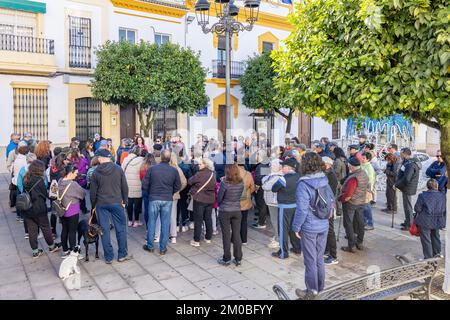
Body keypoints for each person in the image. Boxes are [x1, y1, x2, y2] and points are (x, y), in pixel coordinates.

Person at [292, 152, 331, 298]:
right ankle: (320, 288)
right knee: (319, 258)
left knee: (310, 260)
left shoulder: (303, 184)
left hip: (309, 226)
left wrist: (296, 227)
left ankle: (311, 291)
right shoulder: (324, 178)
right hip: (323, 224)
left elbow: (301, 209)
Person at [90, 149, 130, 263]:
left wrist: (93, 205)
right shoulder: (118, 169)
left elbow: (93, 192)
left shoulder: (96, 172)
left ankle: (108, 256)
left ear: (100, 158)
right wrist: (124, 201)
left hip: (101, 204)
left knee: (104, 230)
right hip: (117, 202)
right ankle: (122, 254)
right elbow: (124, 187)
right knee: (120, 229)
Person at [142, 150, 181, 255]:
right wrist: (170, 193)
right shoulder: (173, 170)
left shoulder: (152, 169)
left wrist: (151, 193)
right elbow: (178, 186)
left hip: (154, 198)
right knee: (165, 223)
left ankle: (150, 246)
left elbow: (144, 185)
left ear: (161, 157)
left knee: (152, 222)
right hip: (167, 199)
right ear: (169, 158)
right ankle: (163, 248)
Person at [22, 160, 61, 258]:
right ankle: (52, 246)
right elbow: (46, 194)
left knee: (32, 230)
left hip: (27, 208)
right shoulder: (39, 180)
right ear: (39, 170)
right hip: (39, 209)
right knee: (45, 228)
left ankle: (35, 251)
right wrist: (54, 194)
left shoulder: (26, 178)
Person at [270, 157, 301, 259]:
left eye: (283, 167)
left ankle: (283, 252)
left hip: (285, 206)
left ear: (288, 168)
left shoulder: (283, 179)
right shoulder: (299, 176)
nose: (282, 169)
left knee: (283, 229)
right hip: (296, 205)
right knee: (294, 228)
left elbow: (274, 189)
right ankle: (297, 248)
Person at [338, 156, 368, 253]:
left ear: (351, 166)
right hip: (361, 201)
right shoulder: (363, 173)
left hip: (351, 202)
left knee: (348, 223)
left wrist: (341, 199)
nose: (348, 167)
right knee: (360, 222)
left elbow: (348, 195)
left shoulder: (354, 177)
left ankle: (351, 245)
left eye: (349, 165)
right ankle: (359, 242)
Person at [217, 164, 244, 266]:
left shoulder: (224, 183)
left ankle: (226, 258)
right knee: (236, 235)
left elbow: (219, 198)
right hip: (237, 210)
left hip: (225, 211)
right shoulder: (241, 182)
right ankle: (238, 258)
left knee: (226, 235)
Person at [414, 179, 446, 259]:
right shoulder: (442, 196)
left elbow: (417, 209)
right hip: (438, 220)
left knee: (426, 240)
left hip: (425, 221)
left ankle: (428, 258)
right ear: (436, 186)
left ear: (427, 187)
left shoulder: (422, 195)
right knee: (436, 237)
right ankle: (437, 254)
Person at [58, 164, 85, 258]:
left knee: (64, 229)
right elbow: (82, 194)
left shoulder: (60, 181)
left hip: (62, 210)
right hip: (72, 210)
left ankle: (65, 250)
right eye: (75, 173)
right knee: (72, 231)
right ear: (70, 173)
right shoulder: (73, 184)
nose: (76, 175)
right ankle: (74, 252)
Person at [187, 158, 216, 247]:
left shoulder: (199, 174)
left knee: (198, 220)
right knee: (208, 218)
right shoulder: (213, 174)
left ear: (205, 165)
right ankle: (208, 238)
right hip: (210, 199)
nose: (198, 166)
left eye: (200, 164)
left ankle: (196, 240)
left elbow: (190, 181)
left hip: (199, 199)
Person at [395, 147, 421, 230]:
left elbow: (406, 178)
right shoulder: (406, 161)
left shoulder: (410, 164)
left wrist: (397, 184)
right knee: (406, 206)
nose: (400, 154)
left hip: (408, 188)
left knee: (408, 206)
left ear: (405, 154)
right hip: (406, 187)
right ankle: (407, 221)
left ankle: (409, 224)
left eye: (401, 153)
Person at [262, 159, 283, 249]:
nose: (272, 167)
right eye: (272, 165)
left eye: (274, 165)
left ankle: (278, 239)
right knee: (275, 220)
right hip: (270, 201)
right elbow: (263, 179)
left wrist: (266, 181)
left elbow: (265, 186)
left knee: (275, 221)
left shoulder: (278, 176)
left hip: (274, 201)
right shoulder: (272, 175)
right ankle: (277, 236)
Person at [122, 146, 145, 228]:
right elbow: (143, 172)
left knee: (129, 203)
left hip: (127, 184)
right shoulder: (142, 160)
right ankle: (136, 221)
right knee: (137, 203)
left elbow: (122, 171)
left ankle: (129, 220)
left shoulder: (125, 159)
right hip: (138, 184)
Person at [322, 157, 339, 265]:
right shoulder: (326, 173)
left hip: (329, 205)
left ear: (327, 164)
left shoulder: (331, 175)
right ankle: (327, 249)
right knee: (327, 230)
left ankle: (333, 256)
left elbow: (330, 192)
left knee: (330, 230)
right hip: (326, 205)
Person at [168, 152, 187, 244]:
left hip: (163, 194)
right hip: (174, 195)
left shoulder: (163, 168)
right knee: (172, 215)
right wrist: (178, 190)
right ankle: (173, 236)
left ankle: (159, 234)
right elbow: (184, 182)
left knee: (161, 215)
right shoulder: (177, 169)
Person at [238, 162, 255, 245]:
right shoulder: (248, 174)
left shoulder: (233, 173)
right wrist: (247, 193)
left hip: (235, 201)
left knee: (234, 221)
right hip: (245, 201)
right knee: (244, 221)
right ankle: (244, 240)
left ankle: (234, 239)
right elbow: (253, 188)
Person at [253, 149, 271, 229]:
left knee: (261, 205)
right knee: (262, 205)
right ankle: (262, 219)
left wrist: (256, 184)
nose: (256, 156)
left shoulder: (262, 165)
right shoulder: (265, 164)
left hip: (261, 188)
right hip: (263, 187)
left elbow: (260, 179)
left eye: (257, 154)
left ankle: (262, 223)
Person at [12, 144, 29, 221]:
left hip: (16, 180)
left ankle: (18, 215)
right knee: (23, 199)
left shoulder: (17, 159)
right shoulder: (24, 160)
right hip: (21, 181)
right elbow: (26, 171)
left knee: (18, 198)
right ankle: (22, 215)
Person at [140, 153, 157, 227]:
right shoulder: (156, 167)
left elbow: (141, 178)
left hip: (145, 189)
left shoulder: (143, 167)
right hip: (154, 189)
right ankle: (154, 225)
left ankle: (148, 226)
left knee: (146, 208)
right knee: (154, 209)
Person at [361, 152, 376, 230]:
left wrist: (368, 190)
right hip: (361, 189)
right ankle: (364, 222)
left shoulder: (369, 167)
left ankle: (370, 224)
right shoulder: (362, 165)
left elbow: (370, 180)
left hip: (366, 190)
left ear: (368, 159)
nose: (362, 159)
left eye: (364, 158)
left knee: (367, 207)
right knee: (363, 207)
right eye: (362, 157)